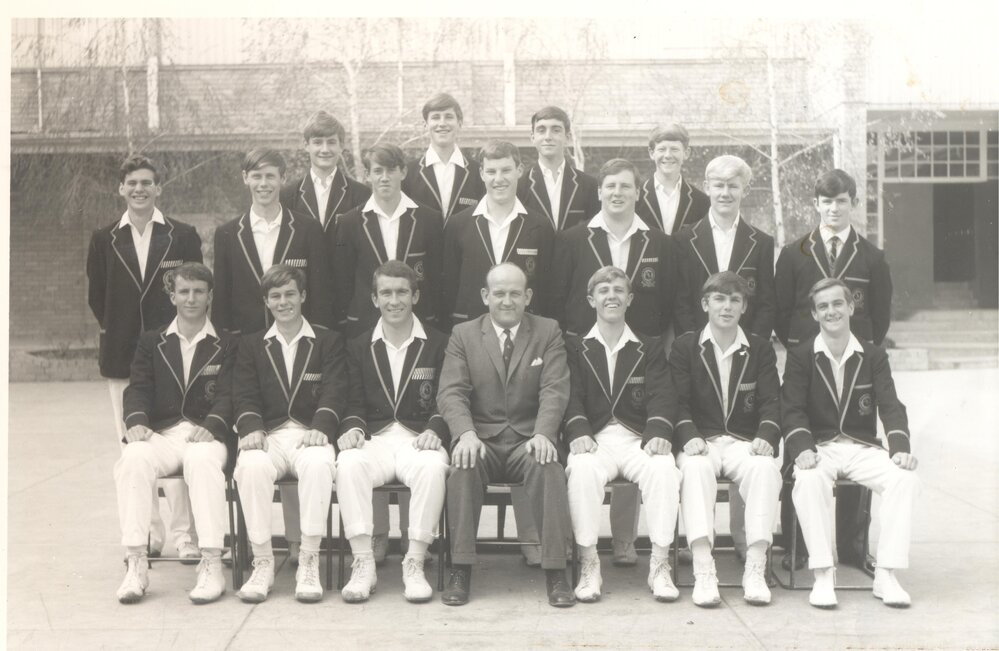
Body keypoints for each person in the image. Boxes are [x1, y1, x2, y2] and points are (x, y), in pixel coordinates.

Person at [551, 157, 679, 564]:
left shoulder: (659, 243)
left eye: (626, 186)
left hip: (641, 354)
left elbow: (669, 303)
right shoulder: (573, 239)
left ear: (638, 192)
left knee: (638, 441)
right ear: (599, 192)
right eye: (610, 186)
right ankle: (584, 554)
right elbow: (559, 298)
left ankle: (625, 540)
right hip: (586, 353)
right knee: (590, 455)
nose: (618, 193)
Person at [214, 148, 335, 562]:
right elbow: (223, 300)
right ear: (245, 179)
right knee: (252, 445)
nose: (263, 184)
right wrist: (232, 348)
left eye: (270, 176)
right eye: (256, 176)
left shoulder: (307, 229)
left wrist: (313, 344)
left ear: (283, 179)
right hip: (249, 350)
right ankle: (252, 543)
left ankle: (300, 543)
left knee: (297, 434)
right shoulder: (228, 233)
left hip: (299, 345)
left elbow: (320, 293)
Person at [437, 263, 575, 608]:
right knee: (462, 467)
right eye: (499, 293)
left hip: (528, 439)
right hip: (482, 438)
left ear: (528, 296)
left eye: (515, 293)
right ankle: (460, 568)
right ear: (486, 296)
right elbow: (451, 392)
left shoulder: (547, 331)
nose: (507, 300)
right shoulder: (464, 334)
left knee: (548, 467)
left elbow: (554, 389)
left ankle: (556, 571)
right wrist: (465, 434)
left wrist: (544, 434)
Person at [775, 169, 893, 569]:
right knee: (800, 445)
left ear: (853, 204)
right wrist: (802, 348)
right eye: (827, 202)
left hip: (854, 366)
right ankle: (797, 546)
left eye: (842, 201)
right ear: (816, 205)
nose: (834, 208)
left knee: (856, 443)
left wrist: (857, 350)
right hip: (807, 364)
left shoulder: (872, 257)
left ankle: (854, 548)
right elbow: (782, 312)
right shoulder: (794, 253)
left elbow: (880, 317)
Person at [87, 154, 202, 561]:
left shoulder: (182, 235)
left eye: (146, 183)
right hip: (121, 357)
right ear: (121, 188)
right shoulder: (104, 239)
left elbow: (194, 292)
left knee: (175, 440)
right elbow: (98, 298)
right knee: (134, 447)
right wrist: (124, 334)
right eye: (132, 183)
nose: (139, 189)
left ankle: (185, 536)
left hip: (173, 354)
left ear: (158, 188)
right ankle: (150, 534)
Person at [782, 278, 919, 609]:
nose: (831, 311)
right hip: (820, 447)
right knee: (809, 479)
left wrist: (900, 448)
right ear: (814, 314)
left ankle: (886, 573)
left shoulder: (873, 355)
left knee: (904, 478)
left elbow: (891, 405)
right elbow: (791, 409)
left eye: (837, 304)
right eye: (823, 306)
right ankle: (822, 574)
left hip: (860, 446)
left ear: (851, 307)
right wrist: (802, 448)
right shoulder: (801, 356)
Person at [114, 262, 235, 604]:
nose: (191, 298)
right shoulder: (152, 341)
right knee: (133, 457)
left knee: (201, 460)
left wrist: (212, 425)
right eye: (184, 291)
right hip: (164, 435)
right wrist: (137, 421)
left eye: (198, 291)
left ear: (210, 296)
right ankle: (136, 562)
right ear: (172, 296)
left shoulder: (227, 343)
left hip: (208, 435)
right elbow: (137, 388)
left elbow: (230, 394)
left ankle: (211, 562)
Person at [335, 261, 450, 603]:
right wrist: (353, 428)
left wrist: (436, 428)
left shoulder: (439, 343)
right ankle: (363, 562)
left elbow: (448, 396)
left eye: (402, 292)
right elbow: (352, 401)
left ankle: (414, 562)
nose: (394, 300)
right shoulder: (358, 345)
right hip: (376, 440)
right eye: (386, 293)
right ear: (374, 299)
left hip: (419, 439)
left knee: (433, 466)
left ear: (415, 296)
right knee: (349, 462)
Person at [564, 266, 681, 603]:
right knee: (581, 469)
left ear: (630, 299)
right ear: (591, 300)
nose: (611, 296)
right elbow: (569, 395)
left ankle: (660, 564)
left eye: (618, 290)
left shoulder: (649, 346)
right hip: (595, 439)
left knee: (664, 469)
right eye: (603, 290)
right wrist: (578, 428)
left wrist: (658, 430)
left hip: (636, 439)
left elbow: (662, 394)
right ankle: (589, 564)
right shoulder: (575, 347)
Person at [231, 265, 346, 604]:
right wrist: (251, 427)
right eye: (276, 296)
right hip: (270, 435)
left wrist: (321, 426)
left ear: (303, 296)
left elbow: (335, 389)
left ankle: (309, 560)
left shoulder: (327, 340)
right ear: (266, 302)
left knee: (319, 464)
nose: (283, 302)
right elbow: (244, 393)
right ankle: (263, 562)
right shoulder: (251, 344)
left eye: (290, 294)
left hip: (310, 434)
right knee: (250, 465)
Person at [667, 271, 782, 607]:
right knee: (695, 468)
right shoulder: (685, 346)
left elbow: (771, 402)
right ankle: (704, 567)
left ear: (744, 307)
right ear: (705, 304)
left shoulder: (760, 348)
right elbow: (677, 401)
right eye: (719, 298)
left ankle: (756, 566)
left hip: (743, 442)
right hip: (701, 440)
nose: (727, 306)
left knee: (765, 468)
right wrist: (688, 434)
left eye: (735, 300)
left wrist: (766, 435)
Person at [334, 143, 444, 337]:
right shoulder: (349, 222)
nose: (384, 178)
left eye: (391, 170)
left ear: (403, 172)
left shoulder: (429, 219)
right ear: (367, 175)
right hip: (365, 325)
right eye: (378, 171)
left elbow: (436, 277)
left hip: (418, 322)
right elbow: (343, 281)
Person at [441, 140, 554, 328]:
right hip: (471, 329)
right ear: (481, 174)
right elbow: (449, 286)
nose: (498, 179)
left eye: (506, 170)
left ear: (519, 170)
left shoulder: (540, 226)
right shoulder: (458, 224)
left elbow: (546, 288)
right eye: (491, 172)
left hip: (524, 330)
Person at [674, 155, 775, 339]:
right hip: (696, 345)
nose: (725, 193)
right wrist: (692, 345)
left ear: (746, 190)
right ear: (707, 188)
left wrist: (754, 345)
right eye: (719, 185)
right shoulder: (684, 240)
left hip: (746, 345)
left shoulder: (762, 243)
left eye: (733, 186)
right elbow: (681, 301)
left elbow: (766, 303)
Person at [280, 110, 371, 237]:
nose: (325, 149)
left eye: (331, 142)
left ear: (341, 146)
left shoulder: (361, 194)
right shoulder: (287, 196)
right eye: (318, 142)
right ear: (306, 145)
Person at [402, 93, 485, 223]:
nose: (442, 123)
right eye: (435, 117)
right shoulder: (408, 173)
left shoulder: (478, 173)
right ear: (425, 124)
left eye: (449, 117)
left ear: (460, 123)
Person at [516, 105, 600, 231]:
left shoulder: (589, 185)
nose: (548, 137)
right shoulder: (520, 186)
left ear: (567, 138)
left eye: (556, 130)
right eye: (541, 130)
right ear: (533, 138)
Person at [635, 124, 710, 234]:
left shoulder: (702, 201)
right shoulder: (635, 197)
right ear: (652, 153)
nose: (668, 155)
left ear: (686, 153)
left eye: (674, 149)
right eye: (662, 149)